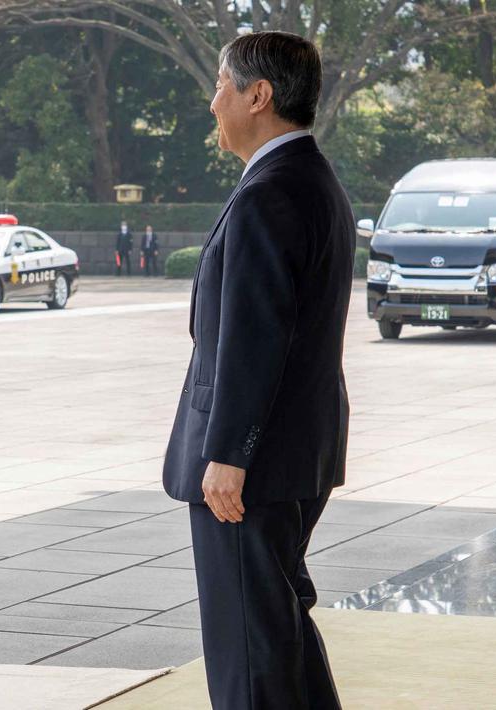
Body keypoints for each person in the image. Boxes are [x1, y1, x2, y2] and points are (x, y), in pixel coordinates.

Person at [161, 31, 352, 710]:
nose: (213, 102)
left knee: (249, 647)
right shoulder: (311, 181)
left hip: (252, 464)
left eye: (221, 86)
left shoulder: (269, 193)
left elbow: (254, 338)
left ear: (258, 95)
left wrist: (228, 455)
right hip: (294, 450)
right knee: (277, 630)